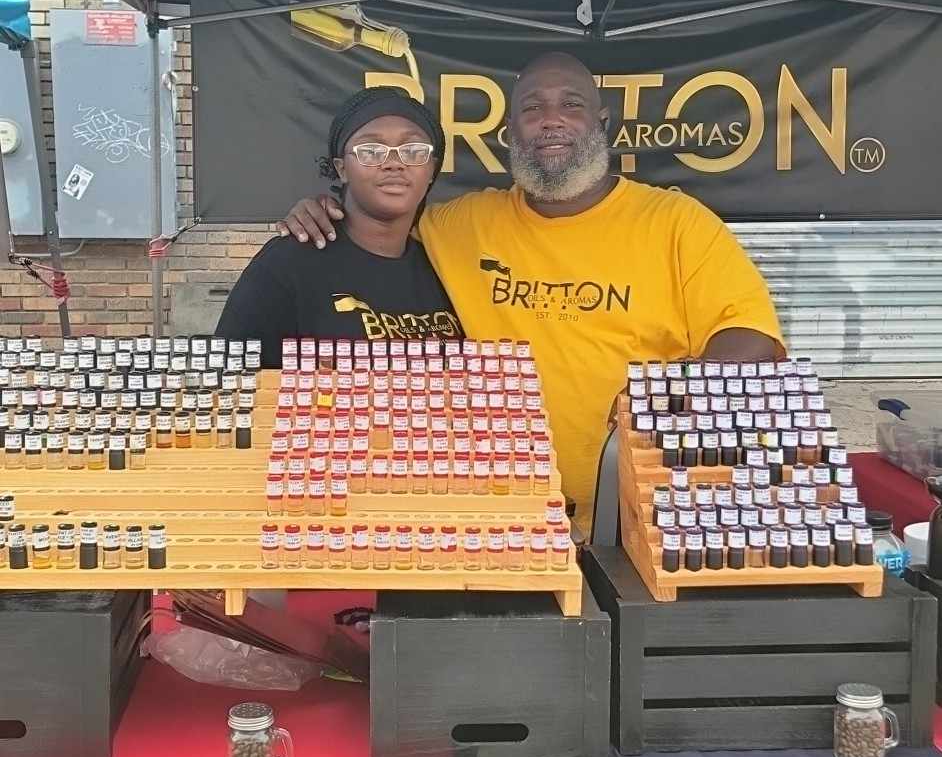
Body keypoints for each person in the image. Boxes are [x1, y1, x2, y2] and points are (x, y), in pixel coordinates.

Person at [279, 52, 782, 526]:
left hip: (643, 519)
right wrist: (326, 209)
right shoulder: (463, 224)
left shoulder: (676, 222)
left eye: (571, 105)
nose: (551, 121)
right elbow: (378, 220)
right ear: (510, 133)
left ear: (603, 124)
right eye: (532, 109)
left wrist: (669, 394)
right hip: (503, 520)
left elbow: (753, 337)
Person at [217, 87, 461, 360]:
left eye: (413, 150)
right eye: (371, 151)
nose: (394, 163)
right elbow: (230, 373)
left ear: (431, 170)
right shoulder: (289, 264)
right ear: (342, 168)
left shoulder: (446, 264)